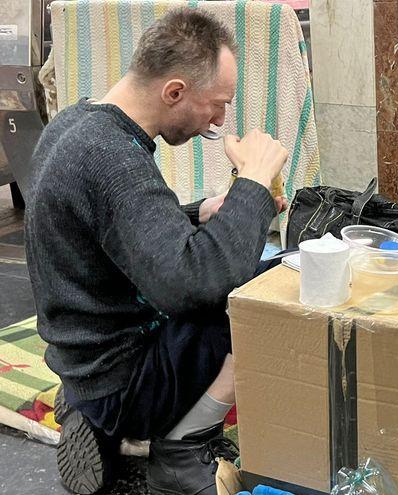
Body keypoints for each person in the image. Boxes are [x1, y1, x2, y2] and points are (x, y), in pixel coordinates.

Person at [25, 8, 289, 495]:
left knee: (241, 258)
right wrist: (252, 184)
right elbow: (197, 284)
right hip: (122, 382)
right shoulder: (112, 158)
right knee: (261, 295)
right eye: (217, 106)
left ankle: (88, 411)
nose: (220, 121)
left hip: (85, 361)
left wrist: (199, 213)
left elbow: (107, 229)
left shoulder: (77, 125)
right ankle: (184, 447)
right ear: (174, 92)